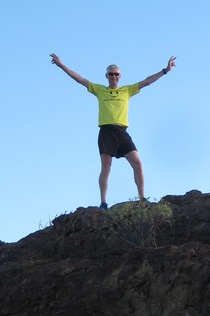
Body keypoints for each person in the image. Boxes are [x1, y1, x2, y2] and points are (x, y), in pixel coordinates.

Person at [50, 53, 176, 208]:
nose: (114, 77)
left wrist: (165, 70)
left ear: (120, 76)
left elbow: (147, 81)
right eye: (111, 74)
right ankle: (103, 202)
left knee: (137, 163)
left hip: (122, 132)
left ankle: (142, 198)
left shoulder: (127, 90)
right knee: (106, 167)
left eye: (116, 74)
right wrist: (61, 65)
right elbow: (80, 79)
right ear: (106, 76)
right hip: (106, 131)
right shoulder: (99, 90)